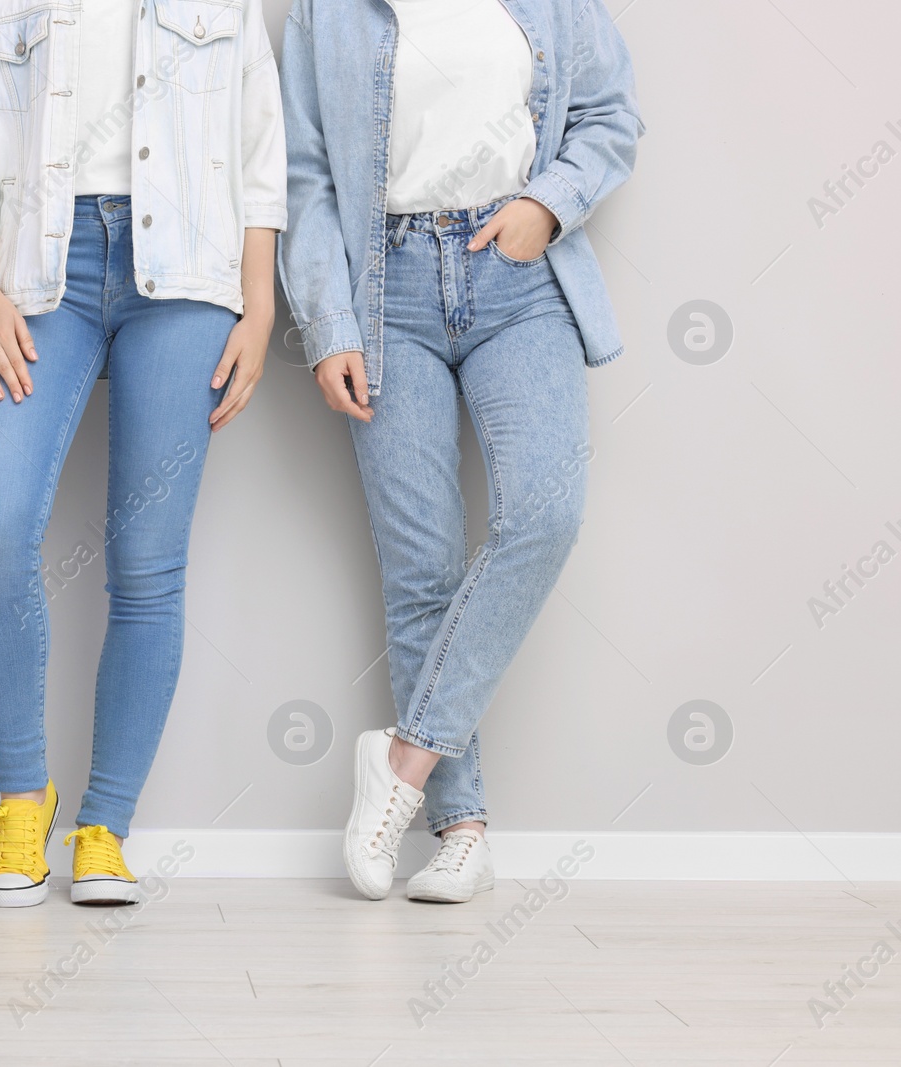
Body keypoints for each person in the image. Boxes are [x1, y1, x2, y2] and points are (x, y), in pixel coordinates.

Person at [279, 0, 642, 902]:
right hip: (385, 288)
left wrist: (546, 205)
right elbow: (305, 173)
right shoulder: (323, 13)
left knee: (544, 509)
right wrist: (328, 324)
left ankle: (401, 760)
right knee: (422, 571)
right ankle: (461, 831)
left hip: (517, 275)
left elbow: (610, 114)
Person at [0, 0, 286, 906]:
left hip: (187, 274)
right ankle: (21, 800)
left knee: (147, 562)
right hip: (32, 272)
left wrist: (259, 304)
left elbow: (259, 140)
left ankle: (105, 827)